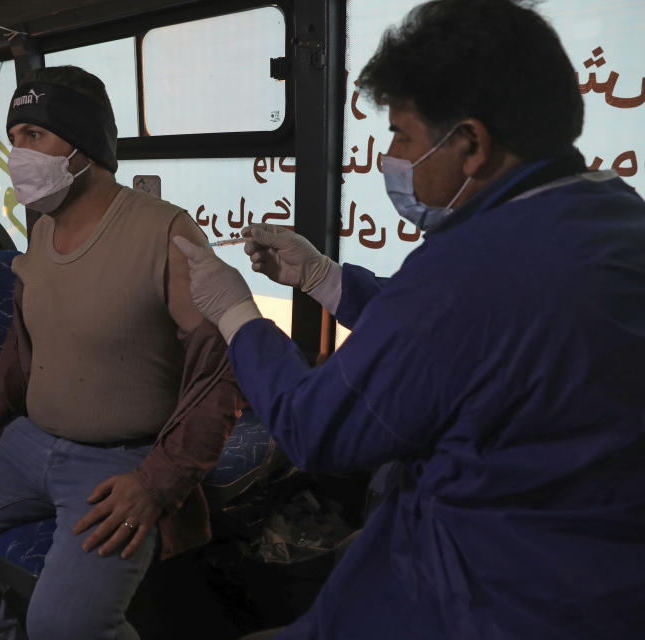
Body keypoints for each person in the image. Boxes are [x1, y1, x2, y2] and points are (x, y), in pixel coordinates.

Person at [175, 0, 645, 638]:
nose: (389, 157)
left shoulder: (465, 274)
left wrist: (235, 312)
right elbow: (456, 342)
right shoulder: (609, 209)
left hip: (485, 593)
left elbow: (313, 428)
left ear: (472, 143)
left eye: (402, 135)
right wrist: (323, 278)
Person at [0, 65, 241, 640]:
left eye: (34, 136)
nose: (18, 152)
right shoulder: (41, 227)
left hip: (120, 461)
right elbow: (23, 342)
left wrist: (156, 482)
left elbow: (221, 375)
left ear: (84, 144)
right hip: (28, 443)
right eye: (14, 137)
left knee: (65, 627)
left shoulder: (166, 234)